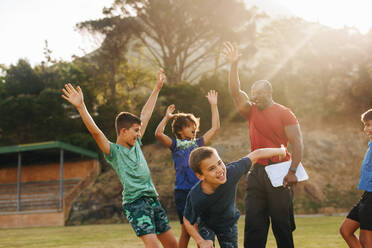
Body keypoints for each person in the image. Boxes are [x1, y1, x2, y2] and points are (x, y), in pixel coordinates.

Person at [61, 69, 178, 248]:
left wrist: (156, 89)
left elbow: (145, 113)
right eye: (136, 131)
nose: (139, 134)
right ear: (123, 131)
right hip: (135, 203)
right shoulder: (113, 152)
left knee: (173, 245)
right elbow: (95, 132)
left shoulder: (136, 143)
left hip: (152, 199)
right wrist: (81, 107)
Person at [222, 41, 304, 248]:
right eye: (252, 93)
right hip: (256, 172)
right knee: (254, 225)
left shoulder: (285, 113)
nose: (254, 97)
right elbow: (235, 91)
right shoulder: (251, 110)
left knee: (281, 225)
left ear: (269, 93)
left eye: (258, 93)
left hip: (280, 171)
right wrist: (234, 65)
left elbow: (297, 142)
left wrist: (293, 170)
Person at [183, 145, 286, 248]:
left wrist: (281, 150)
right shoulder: (196, 196)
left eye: (219, 163)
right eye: (211, 169)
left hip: (228, 222)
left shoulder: (232, 172)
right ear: (200, 176)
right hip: (207, 224)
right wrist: (201, 241)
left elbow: (256, 154)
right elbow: (187, 221)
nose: (219, 170)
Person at [155, 90, 220, 248]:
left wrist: (214, 105)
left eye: (194, 126)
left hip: (199, 190)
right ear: (179, 131)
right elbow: (158, 133)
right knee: (187, 230)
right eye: (189, 126)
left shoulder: (198, 143)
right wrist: (166, 117)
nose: (193, 128)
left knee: (200, 228)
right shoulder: (175, 145)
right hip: (183, 193)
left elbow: (216, 127)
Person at [340, 109, 372, 248]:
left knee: (366, 240)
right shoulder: (371, 144)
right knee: (346, 230)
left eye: (369, 124)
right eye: (365, 125)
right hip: (367, 195)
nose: (366, 129)